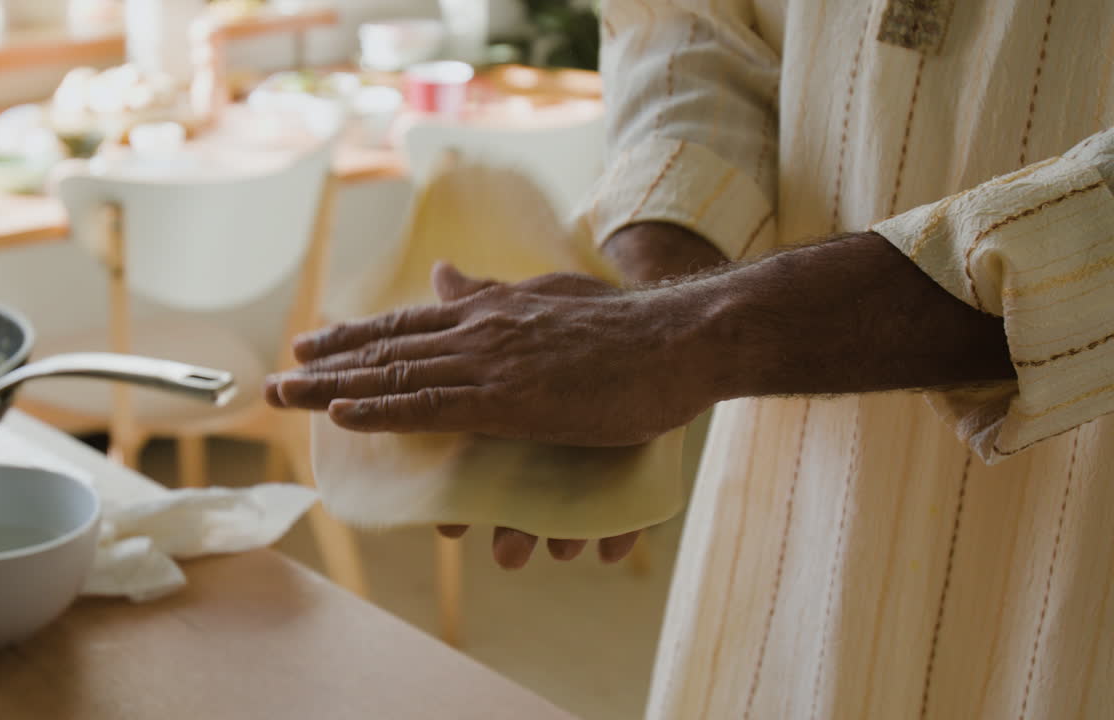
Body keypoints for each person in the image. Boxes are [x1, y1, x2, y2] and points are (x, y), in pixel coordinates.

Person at [268, 1, 1114, 717]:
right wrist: (653, 305)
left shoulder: (702, 337)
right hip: (789, 509)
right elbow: (690, 23)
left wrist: (693, 332)